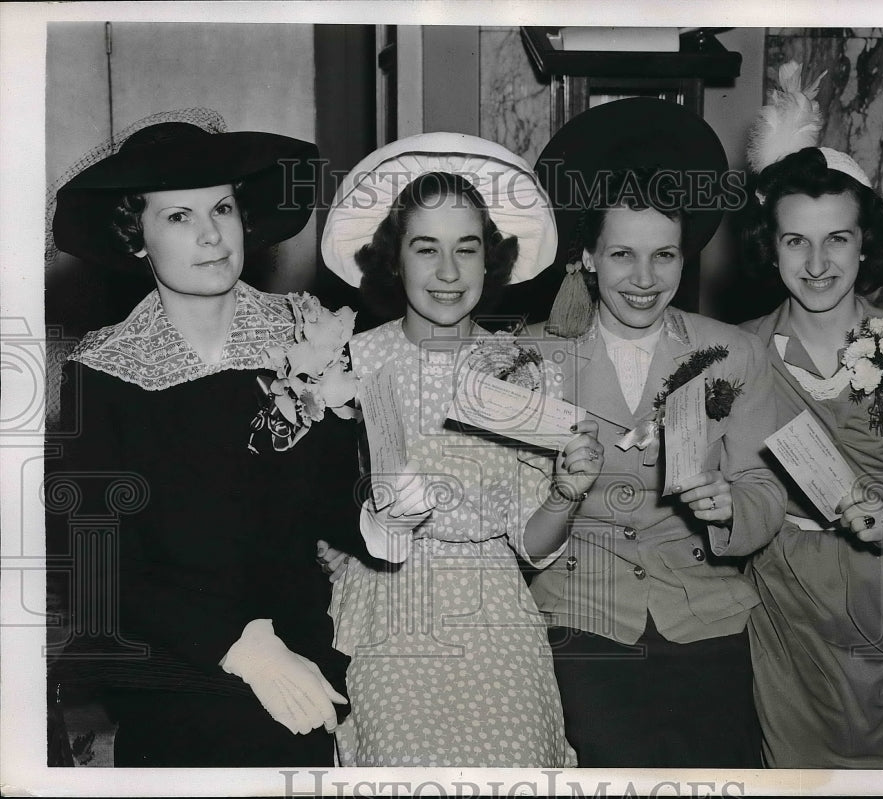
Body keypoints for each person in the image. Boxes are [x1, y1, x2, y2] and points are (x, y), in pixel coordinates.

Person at [49, 119, 360, 766]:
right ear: (137, 239)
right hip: (173, 676)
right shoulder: (104, 370)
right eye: (180, 216)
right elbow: (100, 572)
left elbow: (335, 504)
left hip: (301, 660)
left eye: (222, 208)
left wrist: (384, 510)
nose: (212, 234)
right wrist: (243, 646)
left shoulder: (308, 335)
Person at [319, 133, 603, 767]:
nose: (447, 273)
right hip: (389, 608)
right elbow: (314, 502)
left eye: (466, 250)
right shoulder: (352, 361)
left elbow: (532, 544)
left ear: (488, 261)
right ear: (395, 260)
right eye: (427, 250)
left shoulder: (525, 369)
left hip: (496, 612)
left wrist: (565, 492)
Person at [528, 97, 785, 767]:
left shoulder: (734, 352)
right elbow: (517, 522)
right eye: (621, 255)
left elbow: (767, 488)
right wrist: (560, 489)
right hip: (582, 615)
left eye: (664, 255)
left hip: (707, 610)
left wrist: (733, 507)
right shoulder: (534, 360)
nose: (644, 280)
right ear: (586, 254)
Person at [739, 62, 883, 768]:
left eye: (836, 238)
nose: (816, 263)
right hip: (793, 636)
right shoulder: (736, 355)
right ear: (770, 247)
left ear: (865, 241)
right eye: (795, 240)